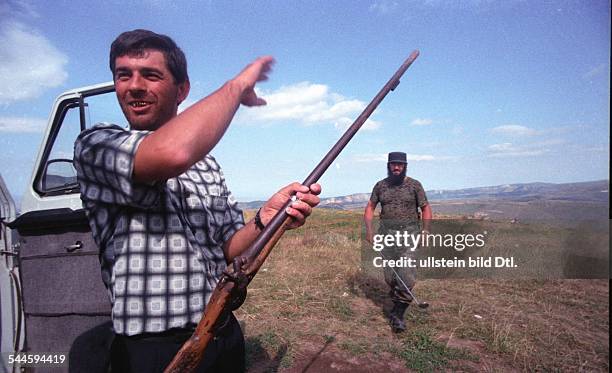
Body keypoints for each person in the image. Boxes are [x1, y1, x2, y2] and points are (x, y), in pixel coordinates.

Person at [73, 29, 321, 372]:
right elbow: (172, 152)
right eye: (123, 74)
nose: (134, 85)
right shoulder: (96, 145)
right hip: (152, 349)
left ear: (182, 90)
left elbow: (230, 248)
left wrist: (266, 217)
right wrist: (236, 87)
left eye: (151, 75)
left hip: (221, 332)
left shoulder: (206, 164)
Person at [363, 151, 431, 333]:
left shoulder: (415, 185)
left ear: (405, 166)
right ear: (388, 165)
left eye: (400, 164)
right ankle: (397, 297)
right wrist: (369, 231)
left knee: (405, 274)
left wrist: (425, 231)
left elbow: (425, 208)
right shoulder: (380, 186)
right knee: (390, 276)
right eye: (393, 164)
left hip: (409, 235)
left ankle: (398, 315)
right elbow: (370, 207)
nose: (396, 167)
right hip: (387, 236)